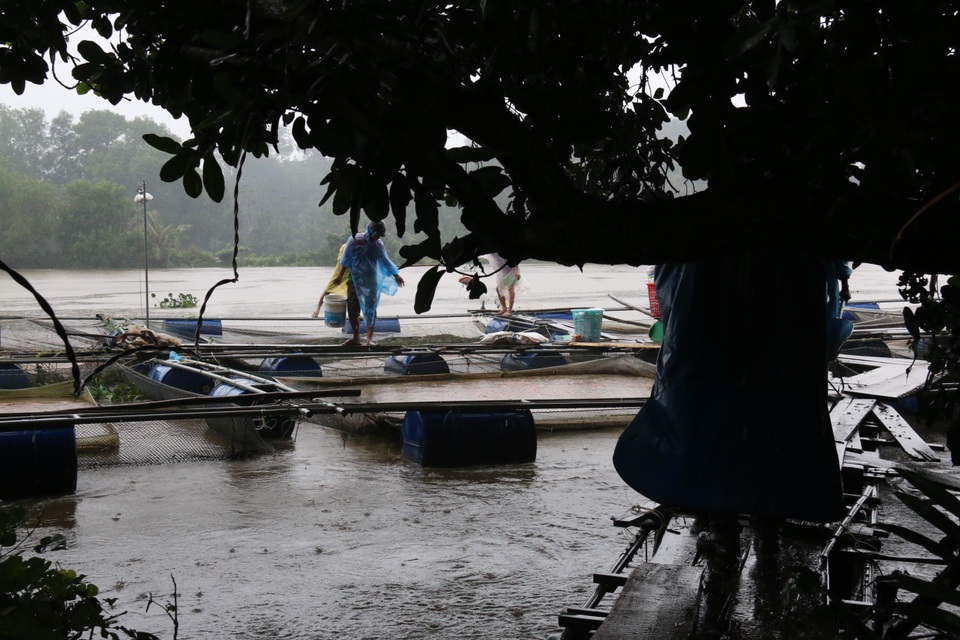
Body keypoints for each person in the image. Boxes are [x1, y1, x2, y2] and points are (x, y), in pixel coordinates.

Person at [612, 251, 846, 554]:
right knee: (780, 406)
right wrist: (837, 276)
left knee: (710, 408)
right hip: (786, 295)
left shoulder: (707, 221)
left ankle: (723, 526)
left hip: (708, 298)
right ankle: (767, 526)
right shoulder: (797, 216)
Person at [332, 221, 405, 346]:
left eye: (380, 235)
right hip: (354, 279)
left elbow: (385, 261)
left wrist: (396, 275)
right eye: (377, 234)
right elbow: (346, 259)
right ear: (371, 231)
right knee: (353, 309)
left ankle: (369, 339)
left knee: (371, 309)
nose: (378, 237)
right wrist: (339, 276)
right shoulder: (355, 240)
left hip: (371, 281)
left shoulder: (378, 245)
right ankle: (356, 338)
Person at [310, 243, 349, 318]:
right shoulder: (346, 246)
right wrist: (339, 276)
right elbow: (343, 261)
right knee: (327, 290)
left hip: (350, 272)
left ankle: (353, 313)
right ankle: (317, 308)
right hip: (339, 271)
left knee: (350, 293)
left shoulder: (360, 246)